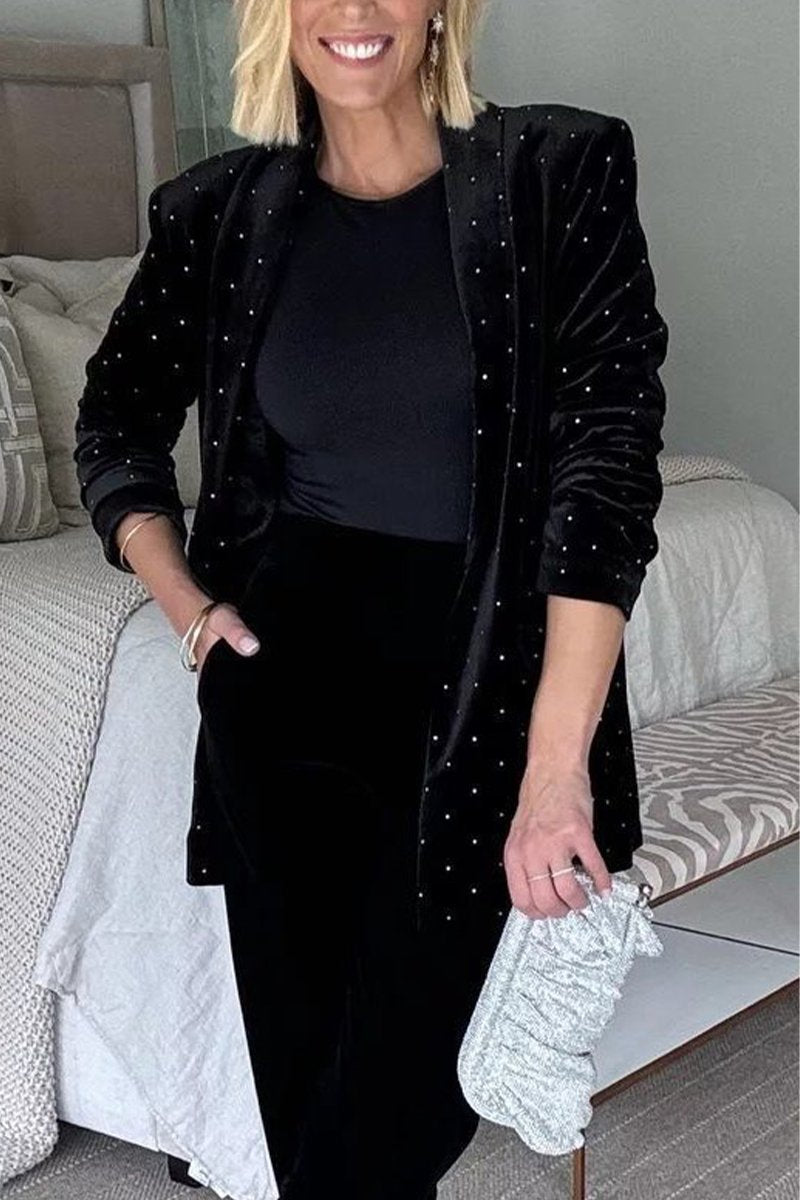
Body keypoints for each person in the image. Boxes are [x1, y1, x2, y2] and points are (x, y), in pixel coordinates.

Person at [74, 1, 669, 1196]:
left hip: (487, 699)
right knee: (313, 1116)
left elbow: (604, 471)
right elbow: (115, 421)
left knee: (392, 1112)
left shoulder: (558, 169)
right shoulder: (215, 212)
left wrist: (555, 771)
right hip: (281, 700)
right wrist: (186, 606)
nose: (352, 11)